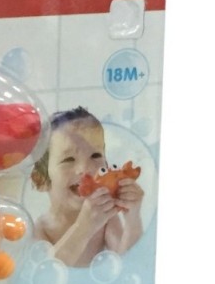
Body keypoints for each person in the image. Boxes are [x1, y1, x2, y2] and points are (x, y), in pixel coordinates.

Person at [30, 107, 143, 267]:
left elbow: (127, 265)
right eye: (68, 159)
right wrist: (84, 227)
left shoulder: (106, 220)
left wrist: (133, 220)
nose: (85, 168)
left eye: (95, 155)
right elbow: (45, 274)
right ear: (41, 180)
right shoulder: (41, 228)